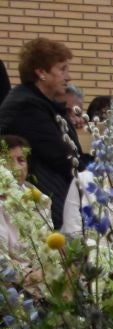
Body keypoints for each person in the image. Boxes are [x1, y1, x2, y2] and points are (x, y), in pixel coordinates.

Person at [0, 37, 82, 225]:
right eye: (62, 69)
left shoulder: (41, 103)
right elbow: (65, 158)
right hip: (36, 210)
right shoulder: (26, 106)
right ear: (41, 73)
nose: (68, 77)